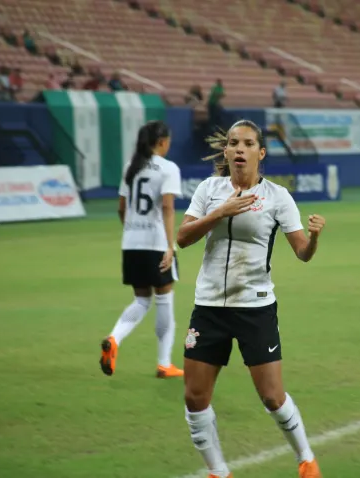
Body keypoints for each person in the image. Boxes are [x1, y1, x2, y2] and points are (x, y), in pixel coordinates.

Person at [177, 119, 326, 478]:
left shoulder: (277, 197)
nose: (239, 149)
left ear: (260, 153)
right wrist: (218, 213)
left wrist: (314, 237)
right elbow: (182, 238)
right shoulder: (210, 189)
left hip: (255, 307)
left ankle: (305, 459)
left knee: (273, 397)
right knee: (195, 398)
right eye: (233, 143)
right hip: (209, 307)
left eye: (246, 144)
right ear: (226, 151)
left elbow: (302, 253)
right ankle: (218, 472)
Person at [99, 120, 184, 379]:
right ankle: (164, 363)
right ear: (162, 142)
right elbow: (168, 208)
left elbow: (121, 209)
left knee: (141, 300)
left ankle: (114, 339)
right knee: (164, 299)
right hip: (156, 242)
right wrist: (169, 246)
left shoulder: (131, 167)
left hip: (131, 243)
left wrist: (132, 232)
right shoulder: (168, 168)